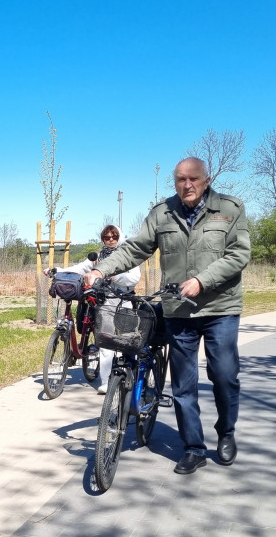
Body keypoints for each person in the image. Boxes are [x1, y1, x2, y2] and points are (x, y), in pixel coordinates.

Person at [84, 157, 251, 475]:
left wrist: (203, 281)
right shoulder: (162, 213)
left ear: (206, 179)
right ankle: (193, 447)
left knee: (225, 377)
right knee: (184, 384)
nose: (187, 185)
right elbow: (135, 248)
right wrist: (100, 269)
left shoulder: (230, 208)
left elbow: (239, 253)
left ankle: (226, 432)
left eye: (193, 179)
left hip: (221, 308)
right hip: (178, 310)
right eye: (180, 179)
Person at [45, 225, 141, 393]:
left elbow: (134, 278)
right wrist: (58, 270)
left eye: (114, 236)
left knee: (127, 340)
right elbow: (80, 268)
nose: (110, 240)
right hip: (105, 301)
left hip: (124, 300)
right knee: (105, 342)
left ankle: (131, 376)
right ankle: (105, 382)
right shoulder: (98, 257)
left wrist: (113, 275)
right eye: (106, 237)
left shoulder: (127, 255)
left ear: (120, 237)